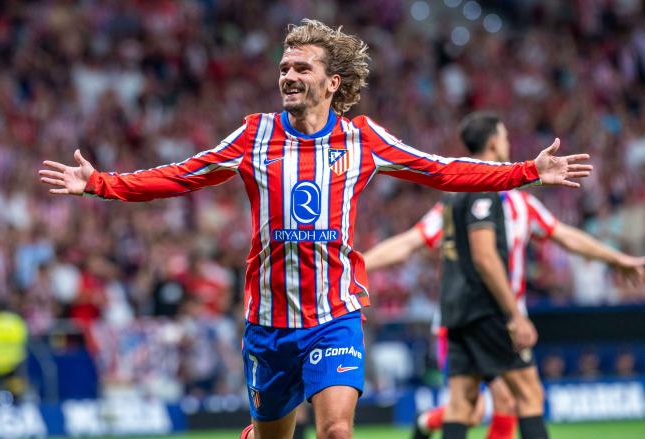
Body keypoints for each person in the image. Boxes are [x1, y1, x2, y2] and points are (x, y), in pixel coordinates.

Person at [39, 20, 592, 439]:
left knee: (336, 430)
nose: (288, 76)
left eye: (302, 68)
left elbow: (442, 169)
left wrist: (526, 172)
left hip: (334, 317)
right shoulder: (254, 135)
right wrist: (101, 183)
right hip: (268, 324)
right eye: (284, 67)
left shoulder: (363, 139)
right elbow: (183, 175)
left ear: (333, 82)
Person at [363, 111, 645, 439]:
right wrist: (514, 314)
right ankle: (428, 423)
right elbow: (479, 253)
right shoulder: (492, 198)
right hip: (493, 311)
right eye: (506, 137)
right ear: (495, 142)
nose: (509, 143)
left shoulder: (459, 202)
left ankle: (426, 424)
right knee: (522, 396)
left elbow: (567, 235)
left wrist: (615, 259)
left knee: (466, 404)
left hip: (454, 314)